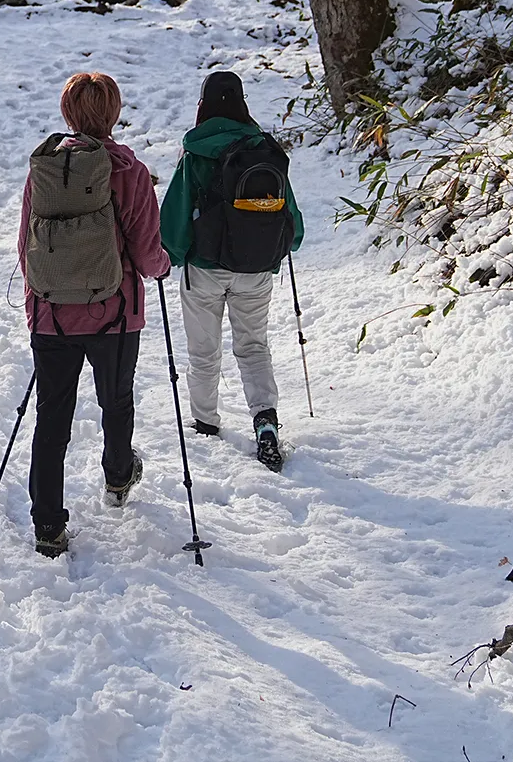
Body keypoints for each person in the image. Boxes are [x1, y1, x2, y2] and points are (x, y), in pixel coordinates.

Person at [17, 71, 169, 558]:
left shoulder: (45, 169)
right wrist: (164, 265)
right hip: (114, 315)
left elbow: (26, 246)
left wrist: (43, 295)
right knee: (116, 400)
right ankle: (119, 476)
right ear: (114, 113)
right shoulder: (128, 170)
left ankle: (47, 524)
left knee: (51, 416)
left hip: (52, 315)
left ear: (68, 114)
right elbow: (146, 252)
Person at [159, 70, 304, 471]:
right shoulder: (262, 150)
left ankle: (206, 421)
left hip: (204, 270)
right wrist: (287, 244)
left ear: (202, 106)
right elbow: (291, 219)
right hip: (255, 268)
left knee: (204, 351)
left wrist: (172, 254)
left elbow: (174, 217)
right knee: (253, 346)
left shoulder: (195, 154)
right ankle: (265, 420)